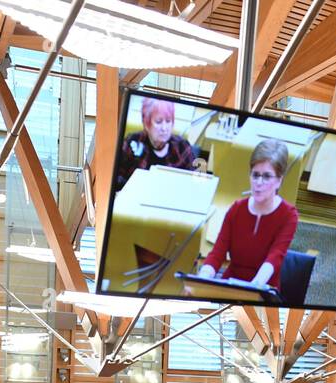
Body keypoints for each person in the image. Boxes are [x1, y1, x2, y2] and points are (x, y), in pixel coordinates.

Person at [197, 139, 299, 297]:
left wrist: (251, 290)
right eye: (255, 175)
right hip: (230, 284)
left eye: (266, 177)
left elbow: (274, 258)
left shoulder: (288, 215)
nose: (258, 183)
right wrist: (202, 278)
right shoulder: (236, 209)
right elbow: (217, 254)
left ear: (279, 181)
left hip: (263, 290)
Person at [113, 95, 198, 191]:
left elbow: (194, 184)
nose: (164, 128)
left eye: (168, 121)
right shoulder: (132, 142)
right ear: (146, 123)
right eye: (158, 121)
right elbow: (115, 179)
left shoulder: (182, 146)